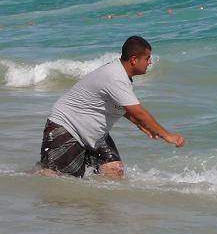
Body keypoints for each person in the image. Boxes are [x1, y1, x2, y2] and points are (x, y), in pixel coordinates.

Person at [37, 36, 186, 178]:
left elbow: (118, 105)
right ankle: (26, 180)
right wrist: (167, 135)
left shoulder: (121, 75)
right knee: (54, 178)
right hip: (67, 127)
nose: (150, 62)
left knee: (114, 170)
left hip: (93, 133)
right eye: (147, 58)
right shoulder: (116, 77)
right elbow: (139, 112)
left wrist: (140, 124)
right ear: (134, 60)